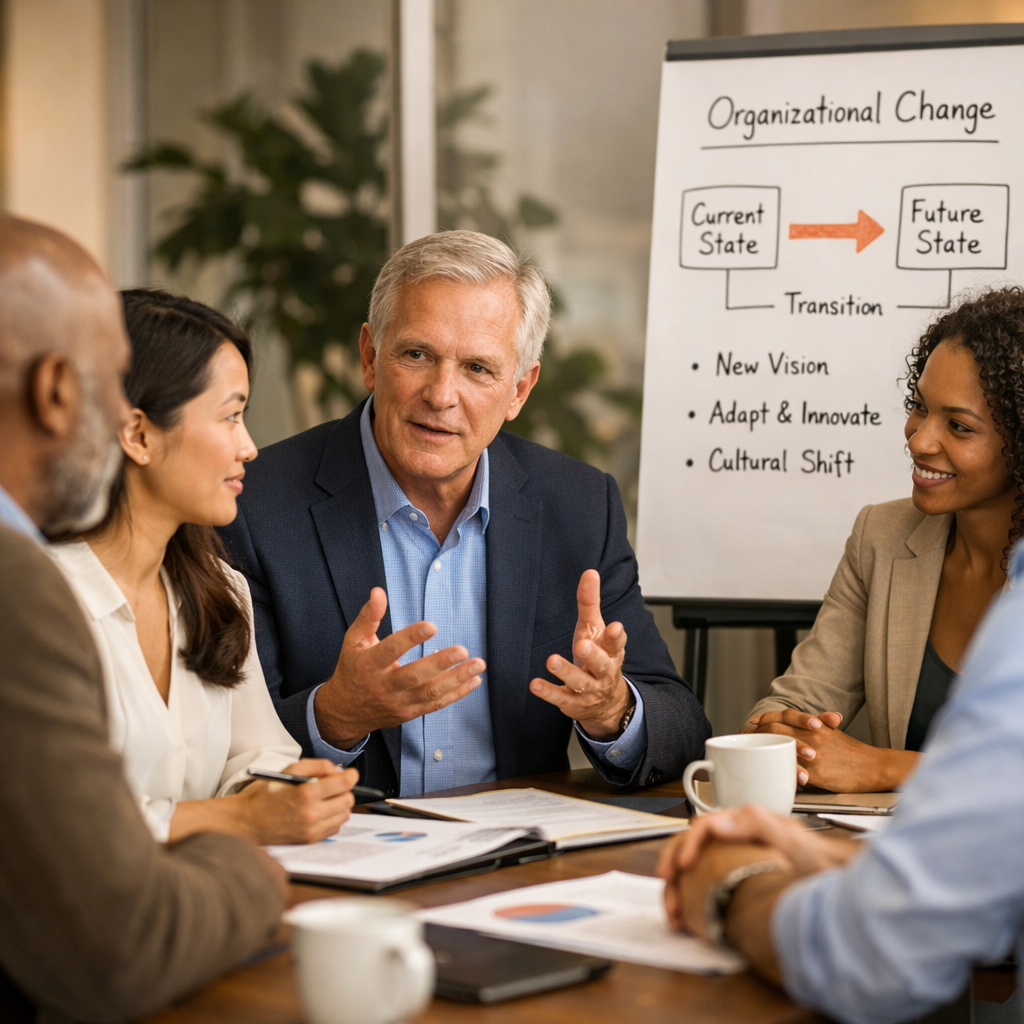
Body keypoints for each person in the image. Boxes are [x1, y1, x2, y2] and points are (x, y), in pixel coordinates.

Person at [220, 230, 710, 798]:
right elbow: (221, 752)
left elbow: (684, 730)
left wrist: (613, 709)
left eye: (478, 368)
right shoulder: (253, 505)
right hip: (344, 854)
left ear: (520, 389)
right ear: (370, 357)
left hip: (521, 862)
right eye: (417, 355)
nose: (441, 393)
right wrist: (337, 715)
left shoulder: (577, 505)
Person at [0, 214, 286, 1023]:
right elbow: (120, 943)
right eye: (107, 381)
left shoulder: (214, 585)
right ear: (58, 390)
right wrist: (246, 866)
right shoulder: (24, 589)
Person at [657, 544, 1024, 1024]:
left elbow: (876, 954)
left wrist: (733, 883)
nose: (920, 460)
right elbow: (788, 706)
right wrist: (845, 856)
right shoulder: (884, 536)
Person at [49, 289, 358, 844]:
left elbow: (258, 754)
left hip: (209, 902)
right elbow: (57, 825)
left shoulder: (220, 589)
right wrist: (240, 818)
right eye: (231, 416)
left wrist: (291, 790)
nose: (249, 447)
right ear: (139, 434)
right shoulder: (40, 599)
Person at [746, 288, 1024, 792]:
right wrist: (789, 736)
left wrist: (885, 767)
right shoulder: (882, 537)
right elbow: (787, 708)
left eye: (958, 427)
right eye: (919, 407)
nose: (918, 439)